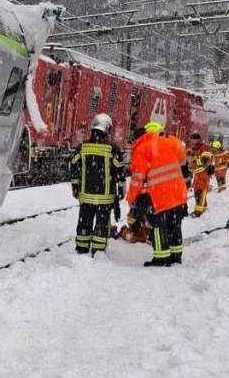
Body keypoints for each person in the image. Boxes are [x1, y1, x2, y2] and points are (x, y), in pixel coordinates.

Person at [126, 121, 188, 267]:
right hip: (178, 192)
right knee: (175, 225)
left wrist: (131, 197)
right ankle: (176, 256)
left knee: (158, 226)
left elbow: (137, 178)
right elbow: (182, 160)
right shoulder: (169, 143)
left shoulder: (142, 148)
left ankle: (161, 258)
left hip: (159, 195)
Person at [70, 113, 126, 256]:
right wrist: (121, 190)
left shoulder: (82, 148)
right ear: (107, 129)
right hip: (105, 197)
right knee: (101, 225)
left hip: (86, 195)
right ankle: (98, 250)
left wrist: (75, 187)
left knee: (84, 222)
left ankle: (82, 247)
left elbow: (74, 168)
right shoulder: (112, 149)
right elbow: (120, 172)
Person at [187, 131, 214, 217]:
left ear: (197, 139)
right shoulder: (194, 148)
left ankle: (198, 211)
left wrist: (196, 161)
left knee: (201, 191)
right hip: (197, 173)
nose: (192, 142)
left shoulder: (204, 147)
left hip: (203, 172)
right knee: (197, 191)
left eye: (193, 140)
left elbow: (207, 160)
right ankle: (204, 206)